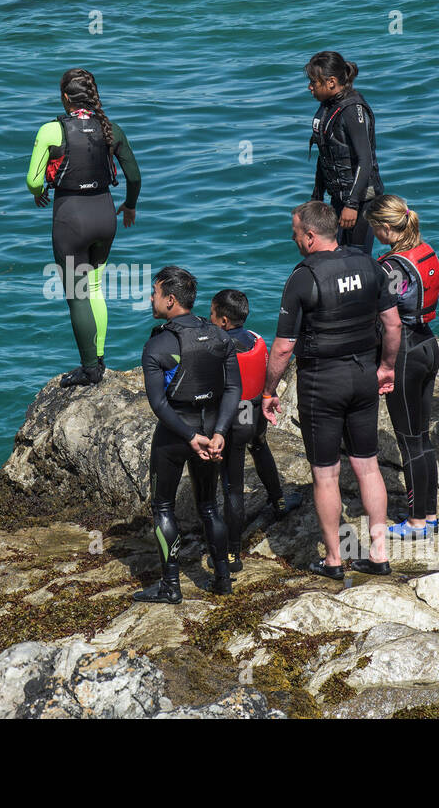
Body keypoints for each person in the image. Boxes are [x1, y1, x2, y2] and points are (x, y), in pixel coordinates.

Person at [262, 201, 402, 578]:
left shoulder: (303, 277)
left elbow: (283, 346)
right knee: (367, 466)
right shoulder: (370, 264)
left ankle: (334, 559)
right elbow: (392, 325)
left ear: (310, 236)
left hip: (322, 381)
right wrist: (386, 367)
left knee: (325, 474)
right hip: (363, 376)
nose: (293, 239)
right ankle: (378, 552)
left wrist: (268, 390)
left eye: (295, 234)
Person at [27, 68, 142, 386]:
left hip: (71, 219)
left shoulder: (52, 131)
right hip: (105, 216)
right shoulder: (111, 129)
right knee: (94, 288)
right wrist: (129, 205)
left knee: (77, 294)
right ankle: (100, 358)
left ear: (65, 97)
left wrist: (40, 193)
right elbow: (134, 176)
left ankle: (90, 369)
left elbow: (33, 180)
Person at [134, 267, 241, 603]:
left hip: (174, 435)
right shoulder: (221, 337)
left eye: (154, 292)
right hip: (211, 431)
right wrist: (219, 432)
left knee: (163, 506)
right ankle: (223, 579)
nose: (151, 298)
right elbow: (234, 389)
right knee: (209, 505)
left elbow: (158, 403)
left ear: (170, 299)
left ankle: (170, 586)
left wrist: (188, 436)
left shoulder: (158, 344)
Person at [208, 289, 303, 573]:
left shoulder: (219, 346)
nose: (209, 319)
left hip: (234, 420)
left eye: (212, 315)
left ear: (224, 321)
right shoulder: (255, 339)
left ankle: (233, 554)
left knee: (233, 487)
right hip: (254, 412)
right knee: (261, 448)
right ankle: (279, 501)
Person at [367, 196, 439, 540]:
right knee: (422, 438)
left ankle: (415, 523)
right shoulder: (425, 251)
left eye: (374, 229)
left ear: (385, 228)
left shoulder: (391, 266)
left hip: (406, 355)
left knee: (409, 440)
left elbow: (389, 313)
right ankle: (429, 514)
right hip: (428, 343)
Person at [305, 51, 383, 255]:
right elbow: (325, 156)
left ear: (331, 81)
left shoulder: (352, 109)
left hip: (361, 200)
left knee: (357, 258)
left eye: (314, 82)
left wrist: (352, 204)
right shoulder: (327, 108)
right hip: (338, 199)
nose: (309, 87)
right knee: (336, 256)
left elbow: (365, 160)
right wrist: (317, 197)